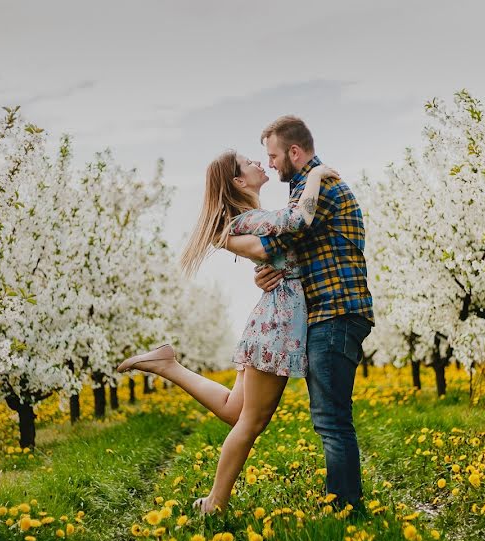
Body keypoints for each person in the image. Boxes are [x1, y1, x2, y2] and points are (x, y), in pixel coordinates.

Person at [117, 149, 336, 514]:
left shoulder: (248, 219)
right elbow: (300, 220)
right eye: (250, 162)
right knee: (250, 422)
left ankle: (169, 365)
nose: (257, 162)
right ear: (238, 181)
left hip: (270, 319)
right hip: (277, 324)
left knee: (235, 411)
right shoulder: (250, 219)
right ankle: (215, 503)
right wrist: (316, 174)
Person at [226, 115, 374, 510]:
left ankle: (345, 509)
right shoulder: (304, 186)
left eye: (273, 156)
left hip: (335, 311)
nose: (269, 163)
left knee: (331, 420)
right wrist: (265, 273)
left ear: (294, 152)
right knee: (330, 418)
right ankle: (344, 505)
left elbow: (290, 229)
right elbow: (288, 249)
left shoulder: (319, 184)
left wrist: (231, 242)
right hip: (329, 312)